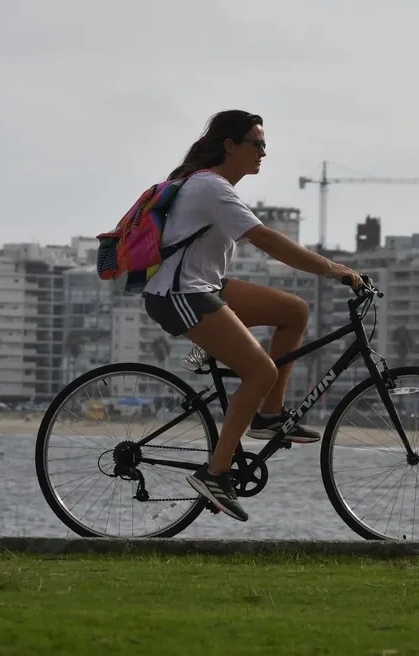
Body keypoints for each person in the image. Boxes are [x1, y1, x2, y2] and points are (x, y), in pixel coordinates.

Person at [141, 110, 363, 522]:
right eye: (257, 144)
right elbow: (267, 240)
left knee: (294, 311)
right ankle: (215, 473)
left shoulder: (214, 186)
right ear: (230, 146)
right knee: (260, 372)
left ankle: (268, 416)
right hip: (178, 294)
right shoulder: (211, 187)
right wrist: (335, 270)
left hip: (202, 286)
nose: (264, 152)